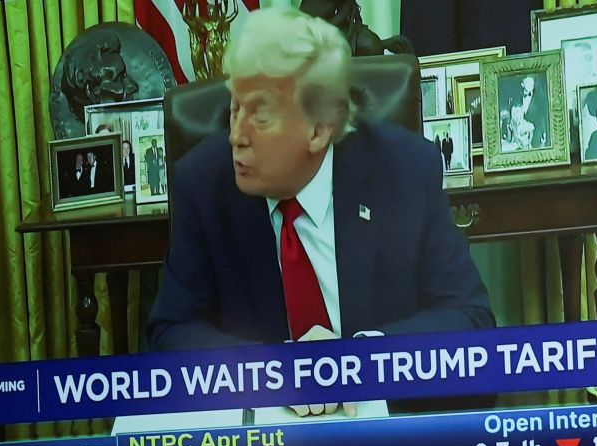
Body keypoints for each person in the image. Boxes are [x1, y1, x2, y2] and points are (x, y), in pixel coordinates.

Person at [147, 6, 493, 353]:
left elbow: (469, 316)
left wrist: (361, 356)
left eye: (261, 117)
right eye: (236, 108)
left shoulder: (403, 172)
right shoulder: (204, 184)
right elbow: (172, 331)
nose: (236, 136)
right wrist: (274, 366)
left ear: (318, 130)